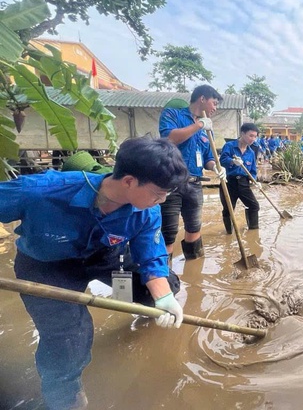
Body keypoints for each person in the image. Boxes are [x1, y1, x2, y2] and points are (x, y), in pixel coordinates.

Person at [0, 137, 188, 409]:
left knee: (165, 286)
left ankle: (150, 314)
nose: (163, 199)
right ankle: (65, 398)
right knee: (69, 337)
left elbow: (151, 256)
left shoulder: (147, 212)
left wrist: (163, 299)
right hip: (46, 266)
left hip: (107, 256)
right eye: (159, 193)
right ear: (129, 181)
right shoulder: (40, 191)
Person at [158, 85, 226, 261]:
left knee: (194, 227)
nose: (215, 108)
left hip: (194, 184)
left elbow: (208, 157)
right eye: (214, 103)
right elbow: (170, 138)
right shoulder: (173, 114)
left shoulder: (207, 128)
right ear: (202, 99)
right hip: (171, 182)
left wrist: (216, 167)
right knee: (168, 232)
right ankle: (164, 276)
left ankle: (194, 274)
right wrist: (199, 125)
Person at [219, 123, 261, 233]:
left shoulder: (251, 152)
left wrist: (254, 181)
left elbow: (252, 171)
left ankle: (253, 231)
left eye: (255, 136)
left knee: (254, 206)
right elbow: (222, 161)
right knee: (228, 210)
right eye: (251, 135)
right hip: (228, 182)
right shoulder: (229, 146)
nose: (253, 139)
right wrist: (232, 161)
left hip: (243, 183)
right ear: (242, 133)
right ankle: (229, 233)